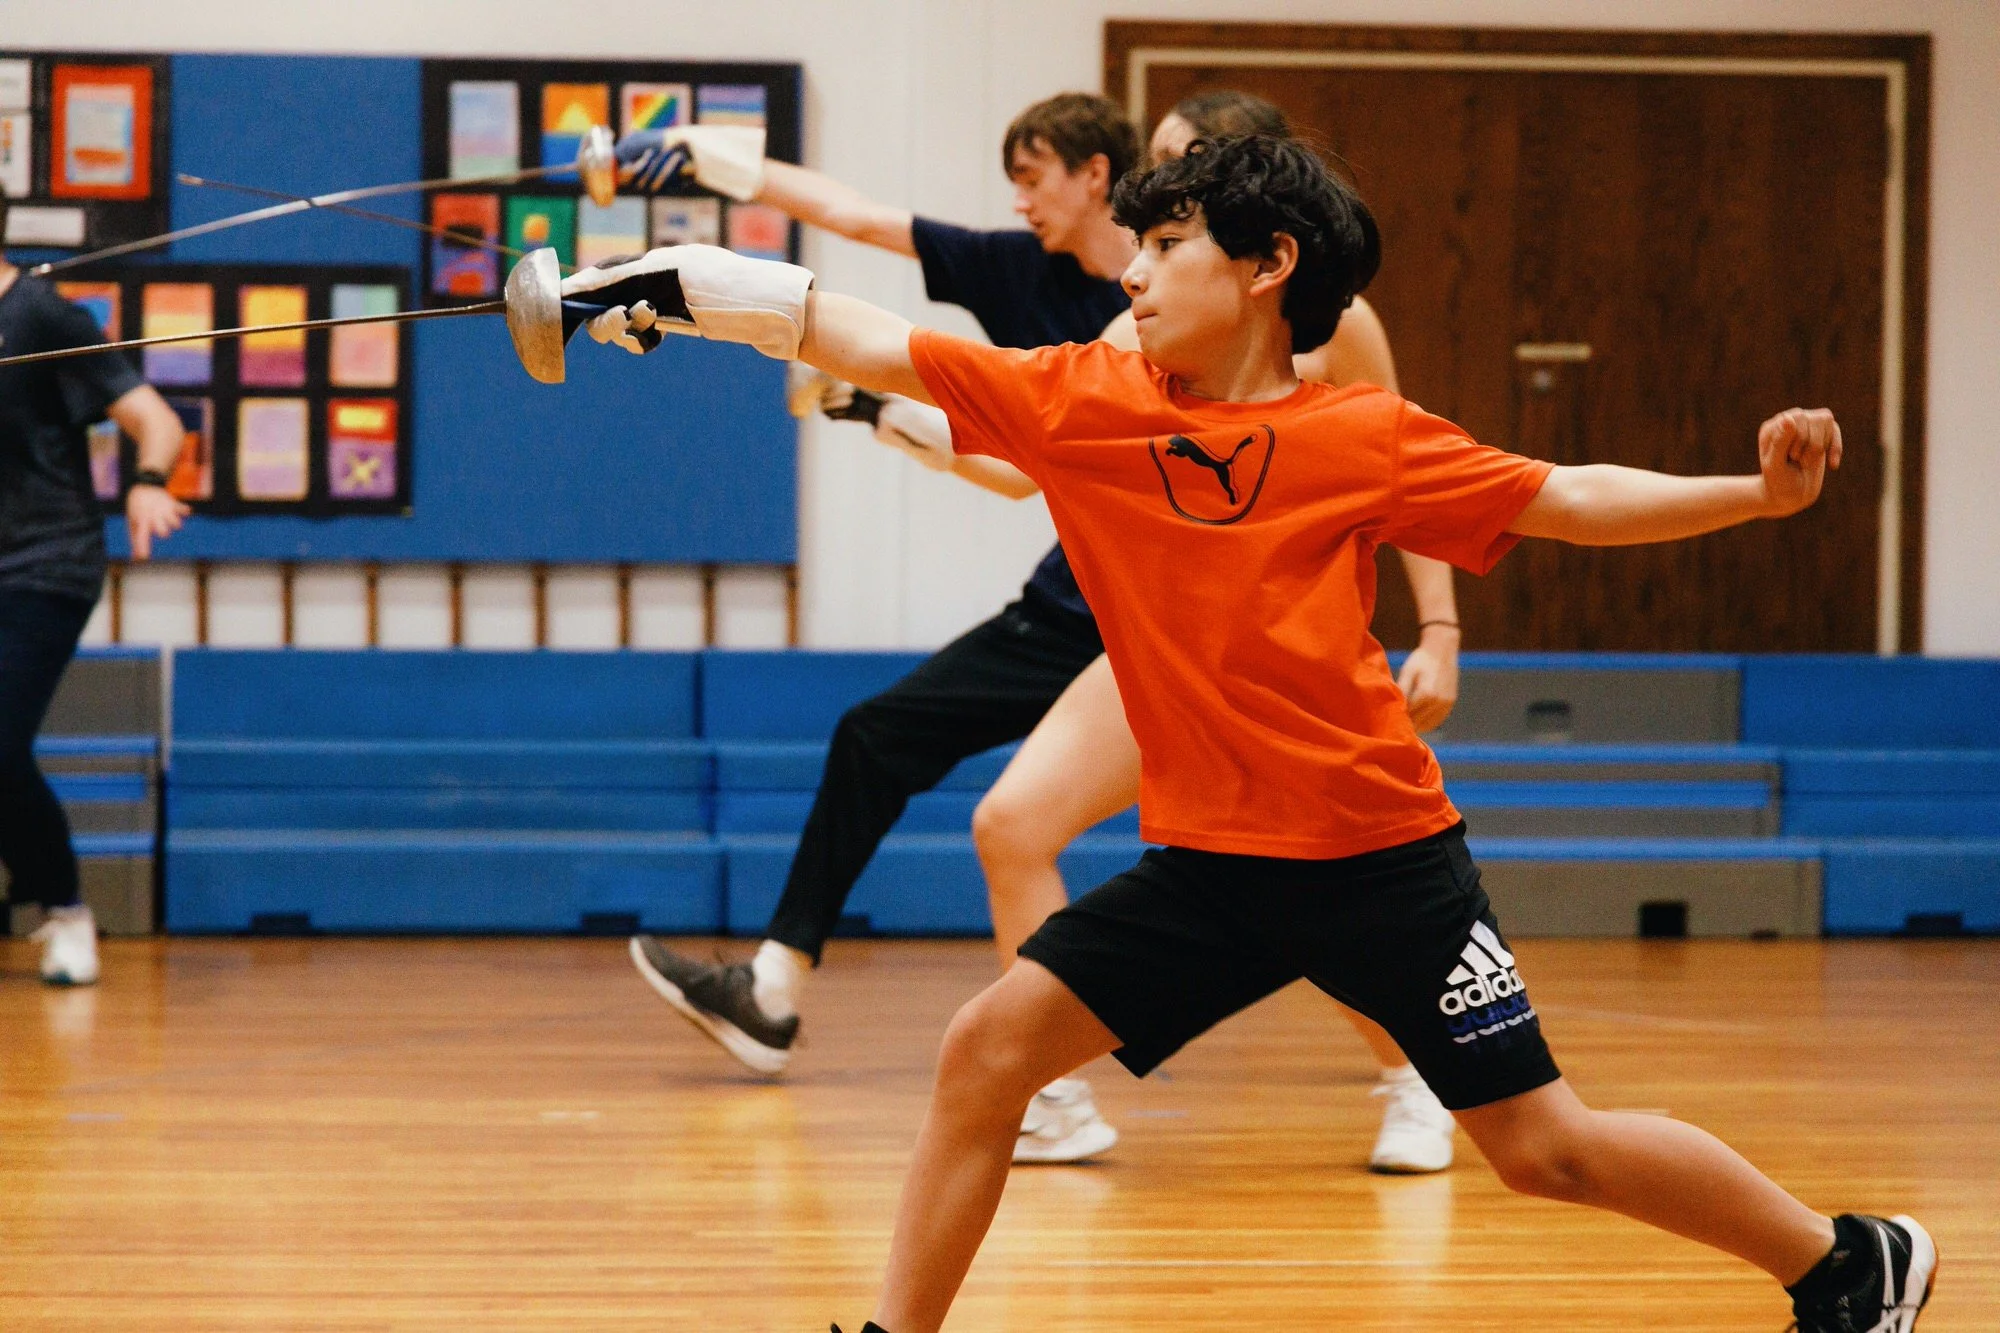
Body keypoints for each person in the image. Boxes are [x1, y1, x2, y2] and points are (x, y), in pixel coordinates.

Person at [565, 132, 1932, 1333]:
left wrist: (1755, 499)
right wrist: (676, 284)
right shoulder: (1085, 408)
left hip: (1384, 861)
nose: (1134, 276)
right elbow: (851, 332)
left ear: (1267, 267)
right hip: (1211, 868)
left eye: (1166, 248)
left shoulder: (1364, 437)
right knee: (986, 1051)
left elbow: (1566, 494)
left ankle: (1844, 1262)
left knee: (1542, 1148)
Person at [613, 93, 1463, 1170]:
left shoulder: (1333, 327)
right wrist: (862, 396)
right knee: (1010, 823)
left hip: (1262, 652)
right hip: (1124, 616)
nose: (1156, 200)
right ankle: (1049, 1094)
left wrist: (1436, 626)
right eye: (1154, 175)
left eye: (1183, 171)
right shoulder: (1125, 326)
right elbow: (1014, 452)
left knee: (1309, 880)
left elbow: (1415, 476)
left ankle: (1415, 1078)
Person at [0, 189, 190, 985]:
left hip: (47, 563)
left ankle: (67, 908)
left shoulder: (43, 316)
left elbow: (158, 420)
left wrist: (147, 482)